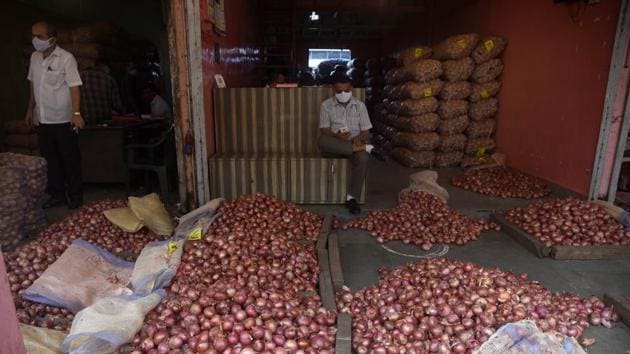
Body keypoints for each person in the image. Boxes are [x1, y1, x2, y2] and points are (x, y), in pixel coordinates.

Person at [24, 21, 84, 209]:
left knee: (69, 159)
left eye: (40, 36)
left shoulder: (66, 58)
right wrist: (29, 110)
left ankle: (75, 197)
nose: (35, 40)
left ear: (52, 39)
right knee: (50, 160)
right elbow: (33, 86)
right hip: (43, 118)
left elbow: (75, 86)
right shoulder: (34, 57)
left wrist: (76, 113)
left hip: (63, 119)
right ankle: (57, 195)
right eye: (33, 35)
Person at [318, 73, 384, 214]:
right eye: (339, 91)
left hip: (355, 142)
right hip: (335, 145)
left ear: (351, 88)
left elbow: (366, 131)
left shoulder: (360, 106)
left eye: (346, 91)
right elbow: (324, 129)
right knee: (322, 140)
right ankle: (367, 148)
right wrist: (336, 135)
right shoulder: (326, 105)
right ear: (333, 90)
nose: (343, 94)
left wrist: (359, 138)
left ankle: (351, 198)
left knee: (363, 158)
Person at [80, 59, 124, 124]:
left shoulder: (81, 76)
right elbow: (117, 105)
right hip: (104, 121)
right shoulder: (110, 79)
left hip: (84, 119)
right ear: (104, 66)